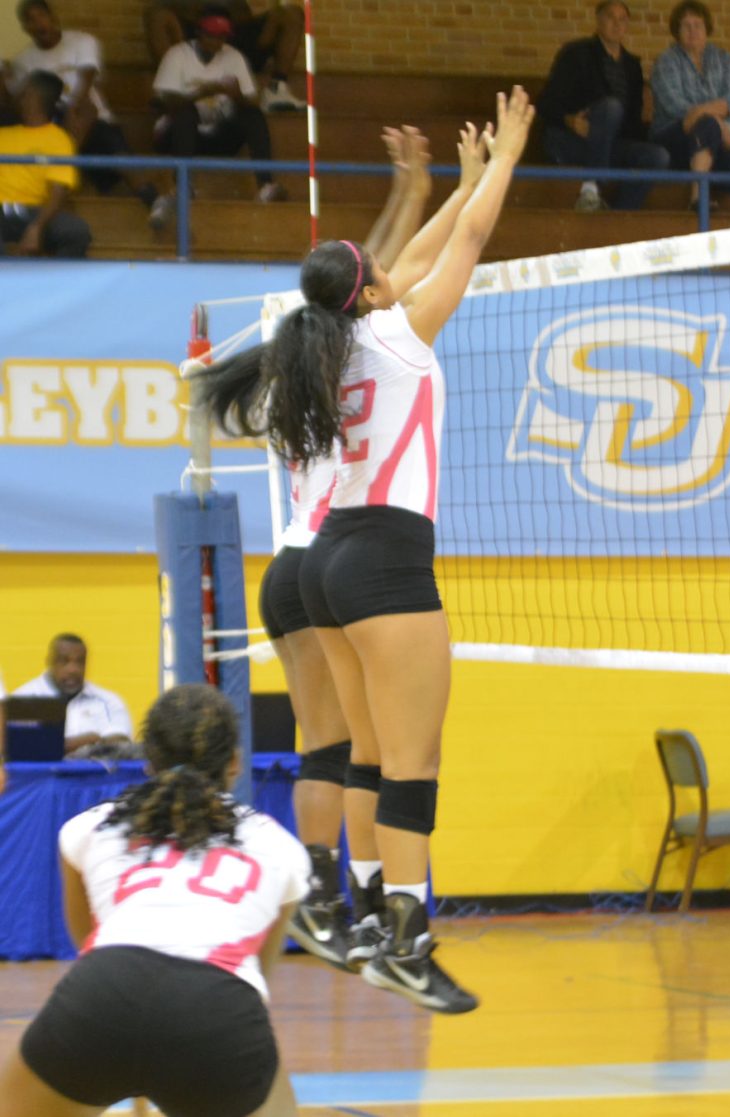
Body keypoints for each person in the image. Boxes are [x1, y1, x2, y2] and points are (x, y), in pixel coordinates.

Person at [196, 91, 532, 1011]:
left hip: (329, 554)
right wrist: (502, 165)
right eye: (380, 273)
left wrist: (450, 186)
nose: (393, 273)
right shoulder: (393, 336)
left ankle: (365, 912)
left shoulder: (320, 353)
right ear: (374, 292)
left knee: (361, 754)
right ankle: (404, 937)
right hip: (381, 555)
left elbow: (409, 260)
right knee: (404, 762)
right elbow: (454, 253)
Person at [0, 684, 307, 1117]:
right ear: (236, 763)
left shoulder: (88, 827)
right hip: (217, 1010)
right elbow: (255, 978)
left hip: (103, 991)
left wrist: (136, 1063)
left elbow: (88, 941)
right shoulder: (281, 848)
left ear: (148, 762)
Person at [7, 0, 161, 211]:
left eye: (41, 16)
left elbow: (87, 79)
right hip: (53, 125)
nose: (37, 23)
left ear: (53, 17)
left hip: (90, 120)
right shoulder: (24, 61)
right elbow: (22, 104)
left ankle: (153, 200)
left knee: (100, 130)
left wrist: (73, 109)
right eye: (29, 21)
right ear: (25, 28)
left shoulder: (82, 41)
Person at [150, 4, 285, 229]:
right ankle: (183, 184)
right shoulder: (178, 55)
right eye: (212, 35)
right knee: (186, 112)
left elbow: (252, 101)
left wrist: (237, 96)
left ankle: (266, 185)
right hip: (176, 136)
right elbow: (165, 103)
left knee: (252, 114)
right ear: (199, 33)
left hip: (217, 135)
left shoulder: (233, 57)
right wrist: (203, 92)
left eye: (222, 36)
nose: (217, 42)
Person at [649, 0, 730, 219]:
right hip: (675, 136)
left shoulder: (725, 60)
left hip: (720, 136)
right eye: (686, 25)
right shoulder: (666, 61)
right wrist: (715, 120)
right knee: (709, 125)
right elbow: (675, 106)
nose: (692, 31)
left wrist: (711, 118)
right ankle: (698, 195)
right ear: (676, 31)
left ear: (706, 28)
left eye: (697, 25)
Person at [538, 0, 668, 213]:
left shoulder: (632, 66)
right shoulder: (576, 54)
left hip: (609, 145)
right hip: (570, 141)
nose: (616, 24)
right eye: (610, 17)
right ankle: (591, 187)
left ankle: (618, 215)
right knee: (611, 107)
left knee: (658, 156)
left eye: (622, 20)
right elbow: (546, 103)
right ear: (598, 21)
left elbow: (633, 122)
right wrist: (569, 120)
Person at [145, 1, 306, 112]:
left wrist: (224, 21)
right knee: (157, 15)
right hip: (199, 31)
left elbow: (243, 12)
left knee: (292, 13)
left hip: (237, 30)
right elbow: (167, 6)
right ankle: (171, 86)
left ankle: (276, 88)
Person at [0, 69, 90, 257]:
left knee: (76, 232)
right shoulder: (4, 133)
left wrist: (36, 227)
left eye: (22, 90)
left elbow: (59, 192)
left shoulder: (59, 140)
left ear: (30, 97)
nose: (15, 95)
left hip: (33, 212)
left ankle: (55, 284)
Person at [13, 633, 135, 756]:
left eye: (80, 662)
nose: (73, 669)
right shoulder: (22, 699)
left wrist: (57, 745)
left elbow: (120, 744)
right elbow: (19, 749)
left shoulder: (109, 701)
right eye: (64, 661)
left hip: (93, 775)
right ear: (49, 662)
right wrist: (91, 739)